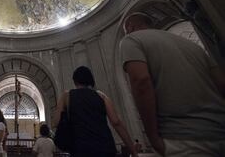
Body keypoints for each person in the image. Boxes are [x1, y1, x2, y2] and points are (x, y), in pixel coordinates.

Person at [120, 12, 225, 156]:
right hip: (220, 129)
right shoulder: (192, 45)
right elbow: (221, 83)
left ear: (130, 27)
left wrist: (152, 137)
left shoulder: (131, 40)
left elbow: (141, 82)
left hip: (182, 138)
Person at [53, 66, 138, 157]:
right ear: (91, 80)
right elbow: (116, 122)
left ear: (75, 81)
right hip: (105, 147)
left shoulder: (66, 96)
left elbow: (56, 122)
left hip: (80, 148)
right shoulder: (102, 96)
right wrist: (133, 150)